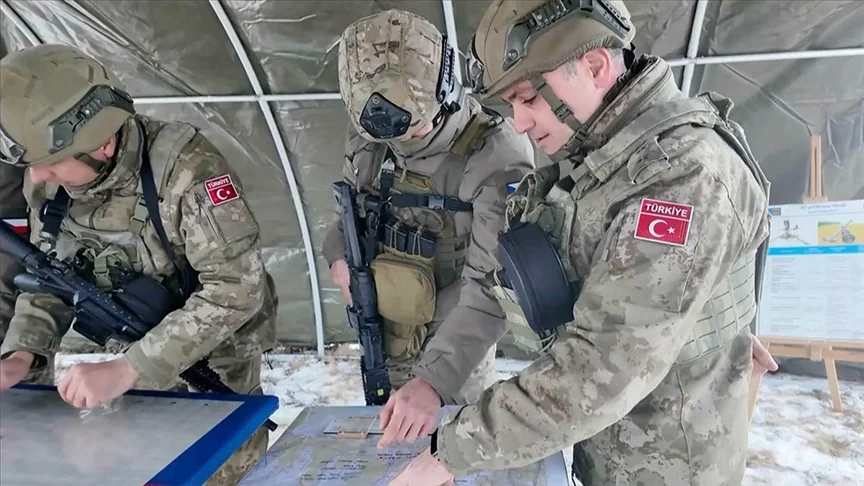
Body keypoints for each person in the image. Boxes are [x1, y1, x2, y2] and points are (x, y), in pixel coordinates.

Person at [389, 1, 777, 485]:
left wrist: (450, 453)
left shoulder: (680, 178)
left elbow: (600, 368)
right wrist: (436, 379)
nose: (520, 123)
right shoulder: (611, 154)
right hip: (618, 451)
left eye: (527, 98)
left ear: (594, 66)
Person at [0, 44, 276, 485]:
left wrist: (129, 368)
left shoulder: (186, 171)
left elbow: (235, 289)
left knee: (218, 467)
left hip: (213, 362)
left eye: (49, 164)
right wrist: (22, 353)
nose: (36, 177)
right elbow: (51, 276)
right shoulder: (51, 183)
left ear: (103, 144)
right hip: (132, 354)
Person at [322, 9, 534, 448]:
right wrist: (337, 256)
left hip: (456, 342)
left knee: (448, 452)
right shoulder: (370, 134)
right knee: (390, 447)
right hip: (384, 328)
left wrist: (434, 381)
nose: (400, 143)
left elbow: (495, 286)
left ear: (445, 91)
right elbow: (351, 210)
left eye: (414, 131)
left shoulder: (494, 155)